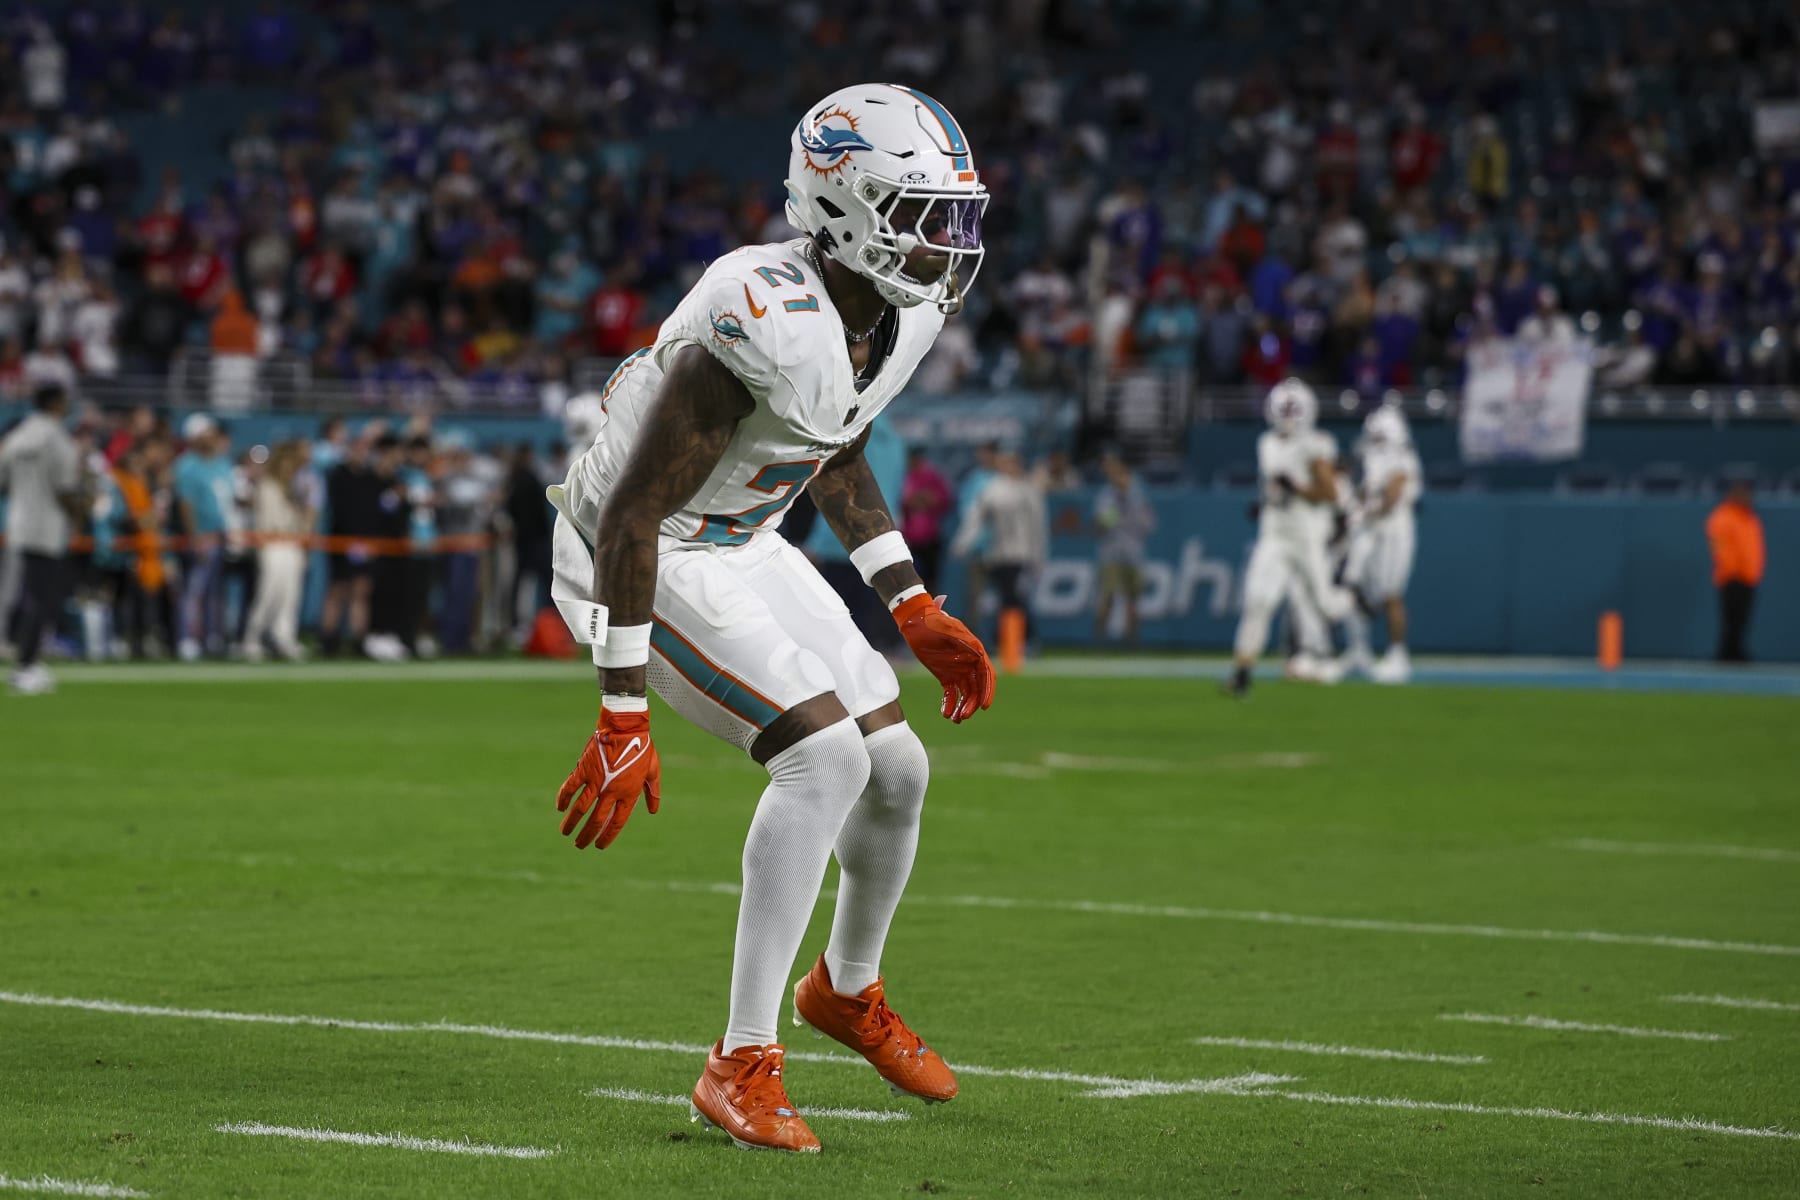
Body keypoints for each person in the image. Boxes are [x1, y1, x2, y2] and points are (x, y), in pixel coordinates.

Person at [545, 85, 995, 1154]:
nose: (948, 241)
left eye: (953, 214)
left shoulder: (898, 310)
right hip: (637, 551)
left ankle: (844, 990)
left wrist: (909, 599)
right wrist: (619, 710)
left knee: (900, 771)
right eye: (921, 212)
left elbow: (831, 440)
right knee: (825, 761)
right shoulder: (759, 307)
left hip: (739, 541)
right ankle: (740, 1060)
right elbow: (632, 514)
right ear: (841, 207)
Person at [1227, 379, 1353, 696]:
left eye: (1293, 409)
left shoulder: (1314, 444)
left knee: (1324, 604)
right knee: (1258, 599)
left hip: (1306, 533)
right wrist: (1266, 503)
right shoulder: (1267, 443)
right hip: (1274, 533)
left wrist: (1295, 488)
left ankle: (1356, 598)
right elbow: (1276, 489)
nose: (1288, 415)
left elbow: (1330, 492)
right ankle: (1242, 673)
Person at [0, 385, 86, 693]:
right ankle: (27, 666)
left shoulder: (16, 437)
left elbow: (3, 483)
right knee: (41, 599)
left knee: (19, 595)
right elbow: (65, 489)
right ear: (56, 404)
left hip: (17, 524)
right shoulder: (59, 440)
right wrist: (78, 516)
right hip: (47, 527)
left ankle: (21, 658)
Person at [1342, 406, 1423, 682]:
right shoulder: (1373, 458)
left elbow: (1393, 496)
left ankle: (1398, 656)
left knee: (1391, 594)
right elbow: (1366, 489)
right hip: (1371, 530)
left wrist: (1366, 512)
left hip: (1395, 532)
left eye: (1378, 436)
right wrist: (1356, 506)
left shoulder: (1403, 457)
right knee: (1354, 589)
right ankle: (1358, 650)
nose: (1374, 441)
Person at [949, 448, 1049, 643]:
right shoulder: (993, 488)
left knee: (1012, 597)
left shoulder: (1027, 489)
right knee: (1006, 597)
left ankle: (1017, 639)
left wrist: (1039, 555)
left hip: (1021, 554)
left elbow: (1038, 525)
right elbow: (976, 519)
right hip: (998, 553)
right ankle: (1012, 639)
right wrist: (963, 543)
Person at [241, 442, 314, 660]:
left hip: (291, 545)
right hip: (272, 545)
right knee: (268, 593)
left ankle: (284, 638)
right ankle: (251, 639)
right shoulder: (267, 486)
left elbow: (300, 522)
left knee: (291, 595)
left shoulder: (292, 489)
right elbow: (265, 521)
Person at [172, 414, 235, 660]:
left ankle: (213, 637)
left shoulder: (221, 463)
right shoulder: (187, 465)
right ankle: (187, 639)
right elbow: (186, 504)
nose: (212, 438)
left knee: (215, 592)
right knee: (193, 591)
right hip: (202, 537)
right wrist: (195, 536)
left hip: (220, 536)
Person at [1093, 450, 1155, 643]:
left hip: (1133, 552)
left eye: (1123, 474)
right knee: (1108, 595)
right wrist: (1115, 512)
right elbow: (1102, 524)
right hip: (1111, 551)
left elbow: (1148, 524)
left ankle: (1131, 639)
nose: (1121, 479)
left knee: (1133, 598)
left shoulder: (1138, 495)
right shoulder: (1106, 495)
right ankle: (1099, 639)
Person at [1707, 479, 1764, 663]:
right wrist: (1732, 571)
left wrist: (1751, 572)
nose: (1748, 498)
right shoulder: (1722, 517)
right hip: (1731, 578)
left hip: (1749, 577)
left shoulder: (1749, 518)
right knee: (1731, 620)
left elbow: (1754, 548)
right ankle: (1728, 655)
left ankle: (1736, 653)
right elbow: (1719, 548)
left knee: (1742, 620)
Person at [899, 447, 953, 593]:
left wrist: (930, 500)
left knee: (931, 581)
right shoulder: (902, 476)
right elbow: (893, 502)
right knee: (907, 582)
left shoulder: (932, 476)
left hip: (930, 537)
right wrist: (909, 502)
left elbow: (946, 500)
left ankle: (931, 613)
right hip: (906, 538)